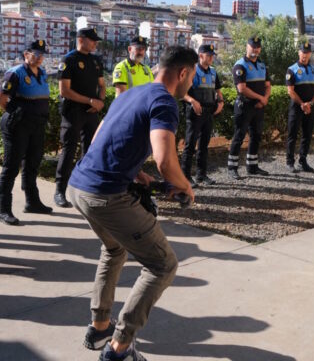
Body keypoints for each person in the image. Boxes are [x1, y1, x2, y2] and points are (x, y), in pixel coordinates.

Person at [67, 46, 197, 361]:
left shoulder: (129, 95)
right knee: (163, 265)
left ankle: (99, 327)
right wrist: (185, 187)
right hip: (106, 196)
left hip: (79, 186)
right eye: (191, 78)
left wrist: (138, 174)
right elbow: (166, 161)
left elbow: (101, 139)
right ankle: (120, 347)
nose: (190, 85)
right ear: (182, 73)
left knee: (114, 250)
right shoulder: (165, 101)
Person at [0, 40, 53, 225]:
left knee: (32, 163)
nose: (39, 57)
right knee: (11, 167)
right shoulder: (15, 73)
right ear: (26, 54)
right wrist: (16, 114)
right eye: (35, 53)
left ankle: (32, 202)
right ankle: (3, 210)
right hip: (18, 126)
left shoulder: (42, 72)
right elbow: (0, 99)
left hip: (37, 126)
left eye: (42, 54)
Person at [54, 27, 106, 207]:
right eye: (92, 40)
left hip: (91, 113)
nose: (95, 43)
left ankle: (84, 189)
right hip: (73, 112)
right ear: (81, 39)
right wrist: (90, 100)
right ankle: (60, 191)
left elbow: (102, 84)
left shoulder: (95, 61)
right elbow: (64, 91)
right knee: (68, 151)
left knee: (90, 151)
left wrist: (99, 101)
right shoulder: (69, 60)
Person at [227, 36, 271, 179]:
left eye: (257, 47)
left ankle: (252, 166)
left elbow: (268, 86)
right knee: (239, 136)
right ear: (247, 47)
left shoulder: (263, 66)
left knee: (256, 136)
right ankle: (232, 167)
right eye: (253, 47)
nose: (255, 49)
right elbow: (242, 89)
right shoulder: (240, 66)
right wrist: (260, 98)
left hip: (259, 107)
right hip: (245, 106)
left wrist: (265, 100)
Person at [180, 44, 224, 186]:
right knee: (190, 145)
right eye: (208, 55)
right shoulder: (191, 71)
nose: (211, 58)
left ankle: (201, 175)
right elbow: (182, 93)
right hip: (194, 113)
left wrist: (221, 102)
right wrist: (193, 101)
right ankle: (185, 177)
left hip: (208, 112)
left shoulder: (213, 72)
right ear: (200, 55)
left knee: (204, 145)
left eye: (212, 55)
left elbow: (218, 90)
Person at [285, 42, 314, 172]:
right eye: (302, 52)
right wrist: (302, 104)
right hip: (296, 107)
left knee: (307, 135)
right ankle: (290, 162)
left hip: (310, 107)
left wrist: (310, 104)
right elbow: (290, 91)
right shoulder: (291, 69)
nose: (304, 55)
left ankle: (303, 161)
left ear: (310, 54)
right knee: (292, 135)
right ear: (298, 52)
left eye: (307, 52)